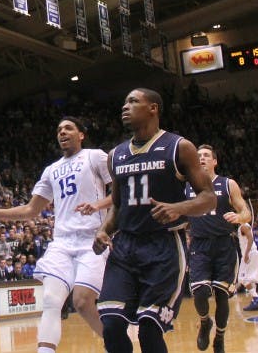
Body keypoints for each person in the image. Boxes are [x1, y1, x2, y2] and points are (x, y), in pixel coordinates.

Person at [0, 117, 111, 352]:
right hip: (62, 242)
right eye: (59, 130)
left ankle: (116, 343)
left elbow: (121, 192)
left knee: (82, 303)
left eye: (68, 128)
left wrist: (98, 206)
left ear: (81, 134)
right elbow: (31, 210)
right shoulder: (51, 170)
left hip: (91, 239)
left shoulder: (95, 156)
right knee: (51, 301)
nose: (62, 132)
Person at [93, 88, 216, 353]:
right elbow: (117, 204)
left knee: (149, 330)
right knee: (111, 326)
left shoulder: (179, 147)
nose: (125, 106)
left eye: (133, 101)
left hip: (164, 247)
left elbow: (209, 198)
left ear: (153, 108)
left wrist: (179, 207)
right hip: (124, 247)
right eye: (124, 102)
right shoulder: (116, 155)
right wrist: (104, 229)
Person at [185, 146, 251, 353]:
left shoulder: (227, 183)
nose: (201, 158)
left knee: (222, 296)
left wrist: (239, 218)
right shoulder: (187, 186)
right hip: (199, 245)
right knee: (200, 292)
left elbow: (245, 211)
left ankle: (220, 338)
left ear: (215, 161)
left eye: (206, 156)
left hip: (224, 244)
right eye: (198, 156)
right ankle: (205, 322)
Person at [238, 222, 258, 311]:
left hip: (249, 253)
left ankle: (256, 297)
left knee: (242, 278)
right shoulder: (245, 226)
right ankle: (254, 303)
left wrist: (246, 254)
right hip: (253, 253)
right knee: (251, 279)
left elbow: (251, 239)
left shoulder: (244, 226)